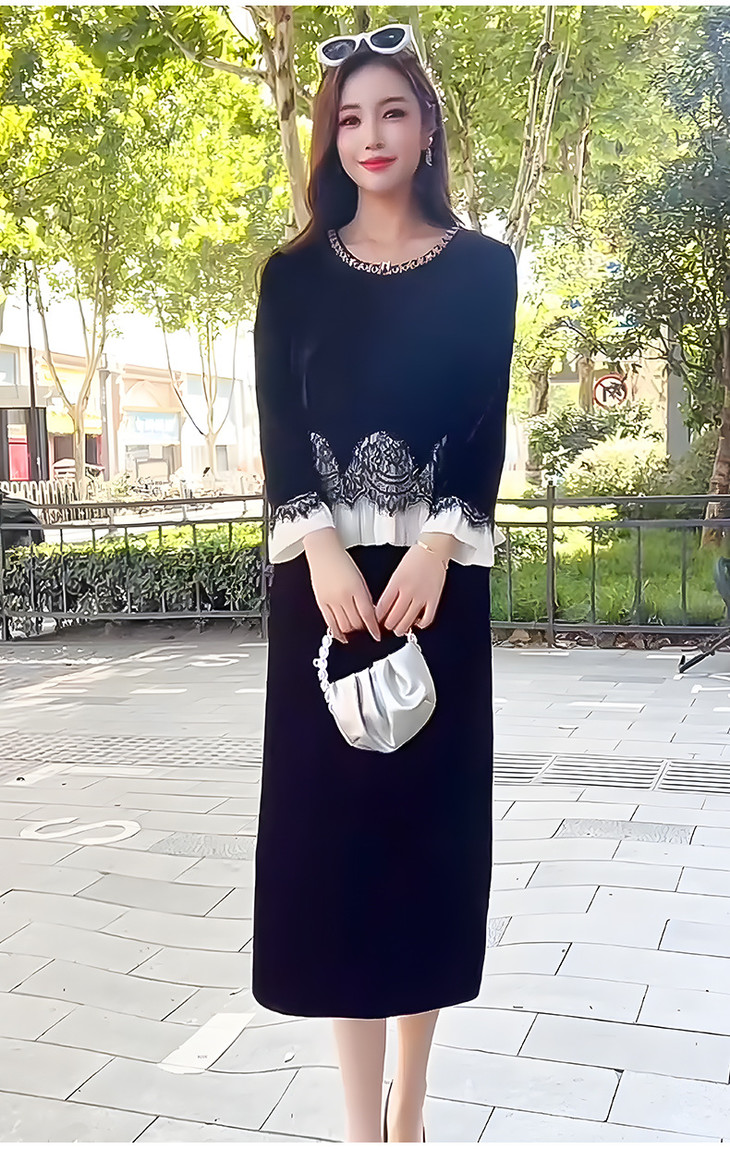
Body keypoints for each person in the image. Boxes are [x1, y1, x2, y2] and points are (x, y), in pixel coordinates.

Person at [251, 22, 518, 1144]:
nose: (371, 134)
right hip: (322, 592)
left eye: (392, 112)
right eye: (351, 116)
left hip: (434, 585)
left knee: (422, 848)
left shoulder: (485, 269)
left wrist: (438, 546)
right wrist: (318, 547)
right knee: (337, 858)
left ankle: (411, 1111)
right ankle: (366, 1130)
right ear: (331, 135)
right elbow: (279, 429)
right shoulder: (292, 277)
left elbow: (484, 422)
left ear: (427, 129)